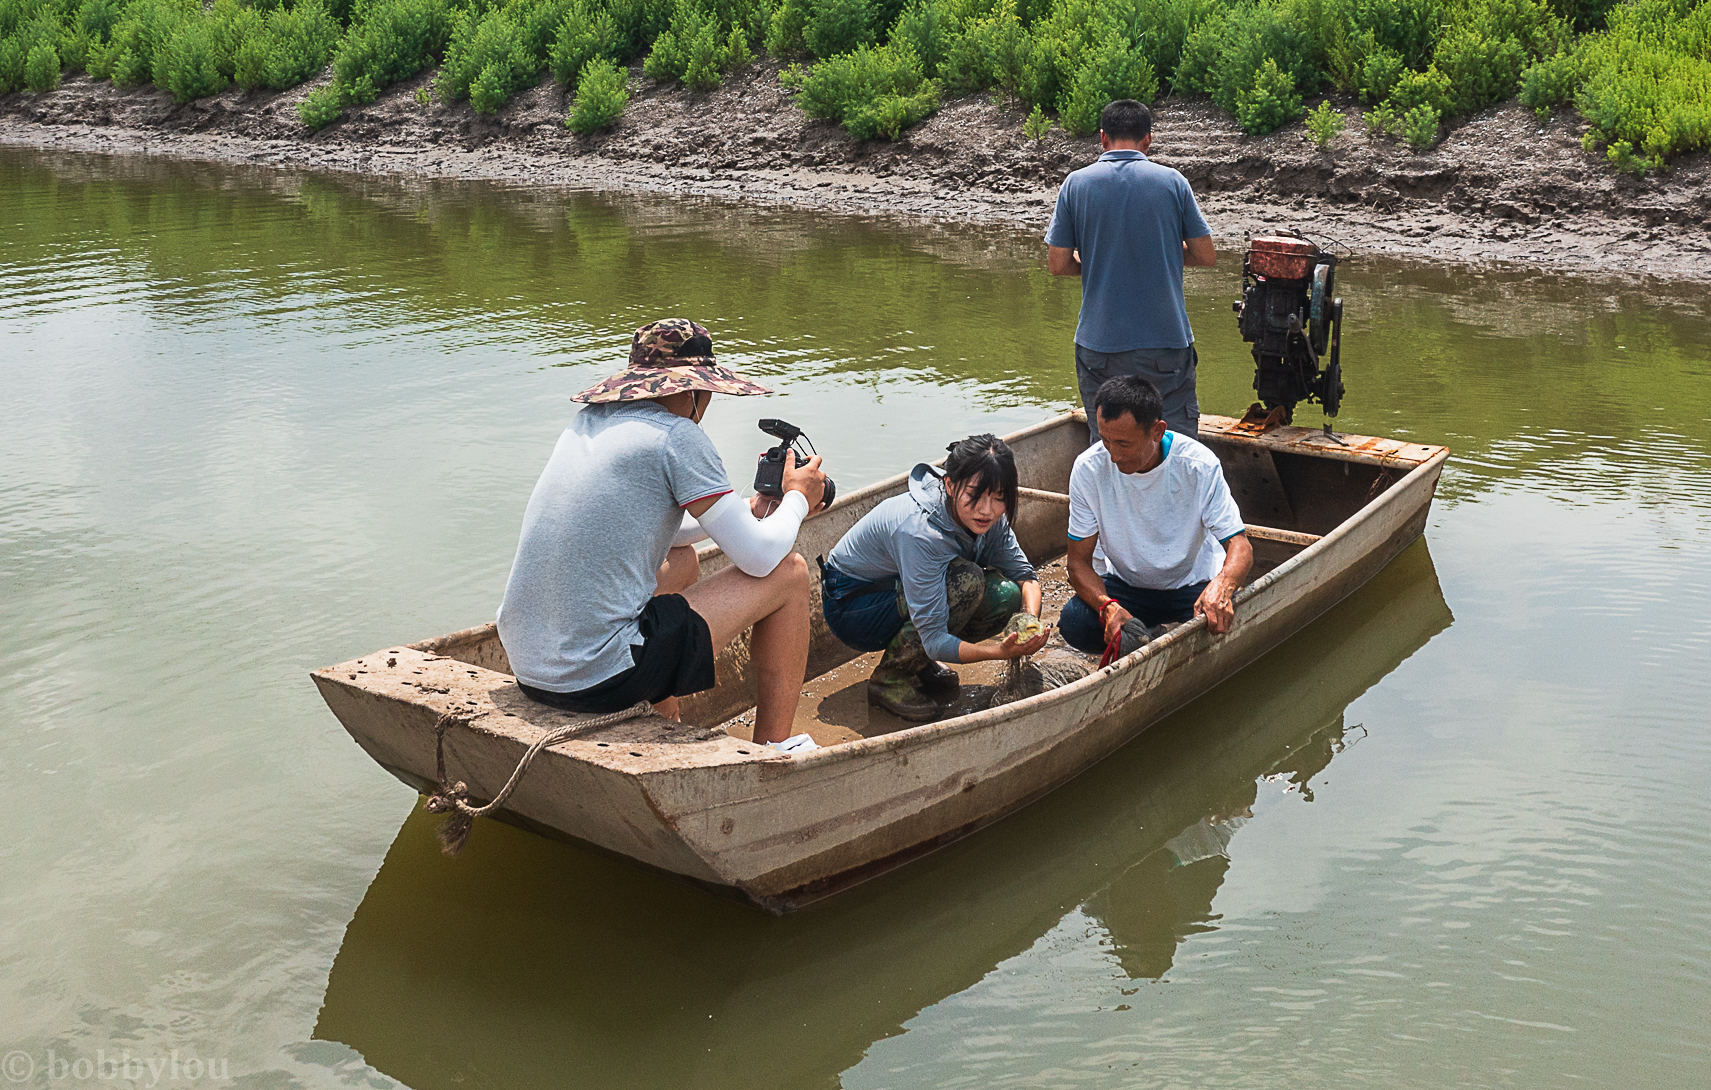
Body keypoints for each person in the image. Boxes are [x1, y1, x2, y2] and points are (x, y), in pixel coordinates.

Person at [495, 318, 828, 749]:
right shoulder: (677, 436)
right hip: (595, 678)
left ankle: (663, 710)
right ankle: (771, 748)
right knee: (791, 573)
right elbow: (761, 557)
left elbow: (650, 527)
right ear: (693, 391)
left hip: (528, 664)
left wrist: (750, 510)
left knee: (683, 560)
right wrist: (799, 498)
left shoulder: (588, 422)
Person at [819, 435, 1051, 722]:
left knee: (1006, 596)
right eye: (975, 496)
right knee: (967, 582)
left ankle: (917, 664)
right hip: (853, 606)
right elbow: (934, 638)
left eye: (999, 497)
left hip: (898, 590)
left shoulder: (989, 516)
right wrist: (997, 652)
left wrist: (1030, 621)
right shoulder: (920, 531)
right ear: (950, 485)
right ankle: (890, 680)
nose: (987, 510)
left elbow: (1024, 575)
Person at [1045, 98, 1216, 440]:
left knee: (1109, 444)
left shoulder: (1076, 184)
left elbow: (1058, 264)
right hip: (1165, 345)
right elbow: (1205, 254)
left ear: (1103, 138)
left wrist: (1097, 260)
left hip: (1099, 346)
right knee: (1176, 443)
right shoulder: (1173, 182)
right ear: (1148, 139)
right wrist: (1161, 254)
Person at [1058, 376, 1253, 657]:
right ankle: (1145, 632)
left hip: (1191, 586)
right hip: (1127, 585)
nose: (1112, 456)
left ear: (1157, 431)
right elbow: (1078, 563)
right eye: (1105, 440)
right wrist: (1108, 606)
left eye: (1123, 444)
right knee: (1075, 622)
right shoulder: (1088, 468)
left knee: (1223, 621)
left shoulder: (1198, 465)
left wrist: (1222, 586)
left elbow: (1240, 546)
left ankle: (1152, 635)